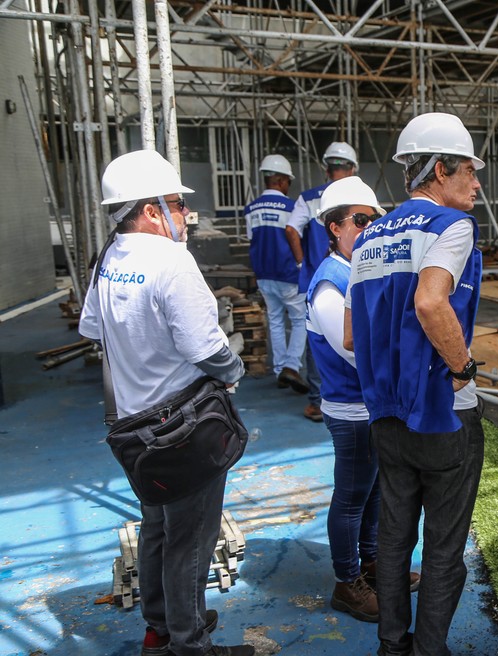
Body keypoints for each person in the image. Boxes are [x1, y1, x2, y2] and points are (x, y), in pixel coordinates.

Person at [79, 149, 253, 656]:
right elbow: (206, 349)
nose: (184, 216)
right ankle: (189, 643)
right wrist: (234, 367)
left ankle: (161, 629)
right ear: (152, 210)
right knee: (191, 540)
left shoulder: (109, 257)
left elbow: (94, 328)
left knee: (157, 527)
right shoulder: (173, 261)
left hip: (137, 429)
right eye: (177, 205)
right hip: (184, 426)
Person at [344, 112, 485, 656]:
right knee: (445, 549)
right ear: (440, 169)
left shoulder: (370, 235)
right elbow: (431, 302)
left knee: (395, 535)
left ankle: (391, 644)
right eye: (469, 171)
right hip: (443, 413)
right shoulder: (451, 227)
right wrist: (461, 368)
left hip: (386, 414)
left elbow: (354, 336)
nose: (476, 183)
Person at [305, 177, 389, 622]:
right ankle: (347, 582)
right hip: (351, 409)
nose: (370, 226)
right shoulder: (329, 282)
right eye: (361, 220)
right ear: (335, 227)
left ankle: (372, 566)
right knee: (353, 496)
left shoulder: (358, 270)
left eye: (374, 218)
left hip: (369, 405)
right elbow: (353, 347)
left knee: (372, 492)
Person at [288, 142, 359, 422]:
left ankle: (318, 400)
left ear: (326, 168)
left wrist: (301, 262)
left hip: (316, 274)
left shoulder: (307, 198)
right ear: (352, 168)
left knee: (317, 339)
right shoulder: (359, 199)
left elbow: (291, 228)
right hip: (350, 274)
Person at [245, 154, 309, 397]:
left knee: (274, 320)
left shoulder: (250, 208)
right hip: (287, 272)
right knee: (300, 319)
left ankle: (279, 368)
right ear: (282, 180)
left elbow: (253, 239)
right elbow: (296, 236)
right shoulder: (291, 207)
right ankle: (292, 366)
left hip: (263, 273)